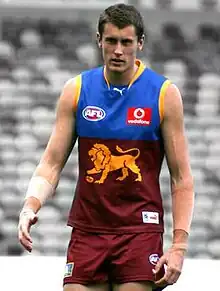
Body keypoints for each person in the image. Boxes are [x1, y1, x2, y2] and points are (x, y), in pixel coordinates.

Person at [18, 3, 194, 291]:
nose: (118, 50)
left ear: (140, 43)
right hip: (88, 231)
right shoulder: (77, 90)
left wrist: (179, 246)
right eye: (111, 41)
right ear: (99, 40)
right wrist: (29, 206)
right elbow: (51, 163)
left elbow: (181, 178)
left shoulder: (164, 94)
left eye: (126, 42)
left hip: (139, 231)